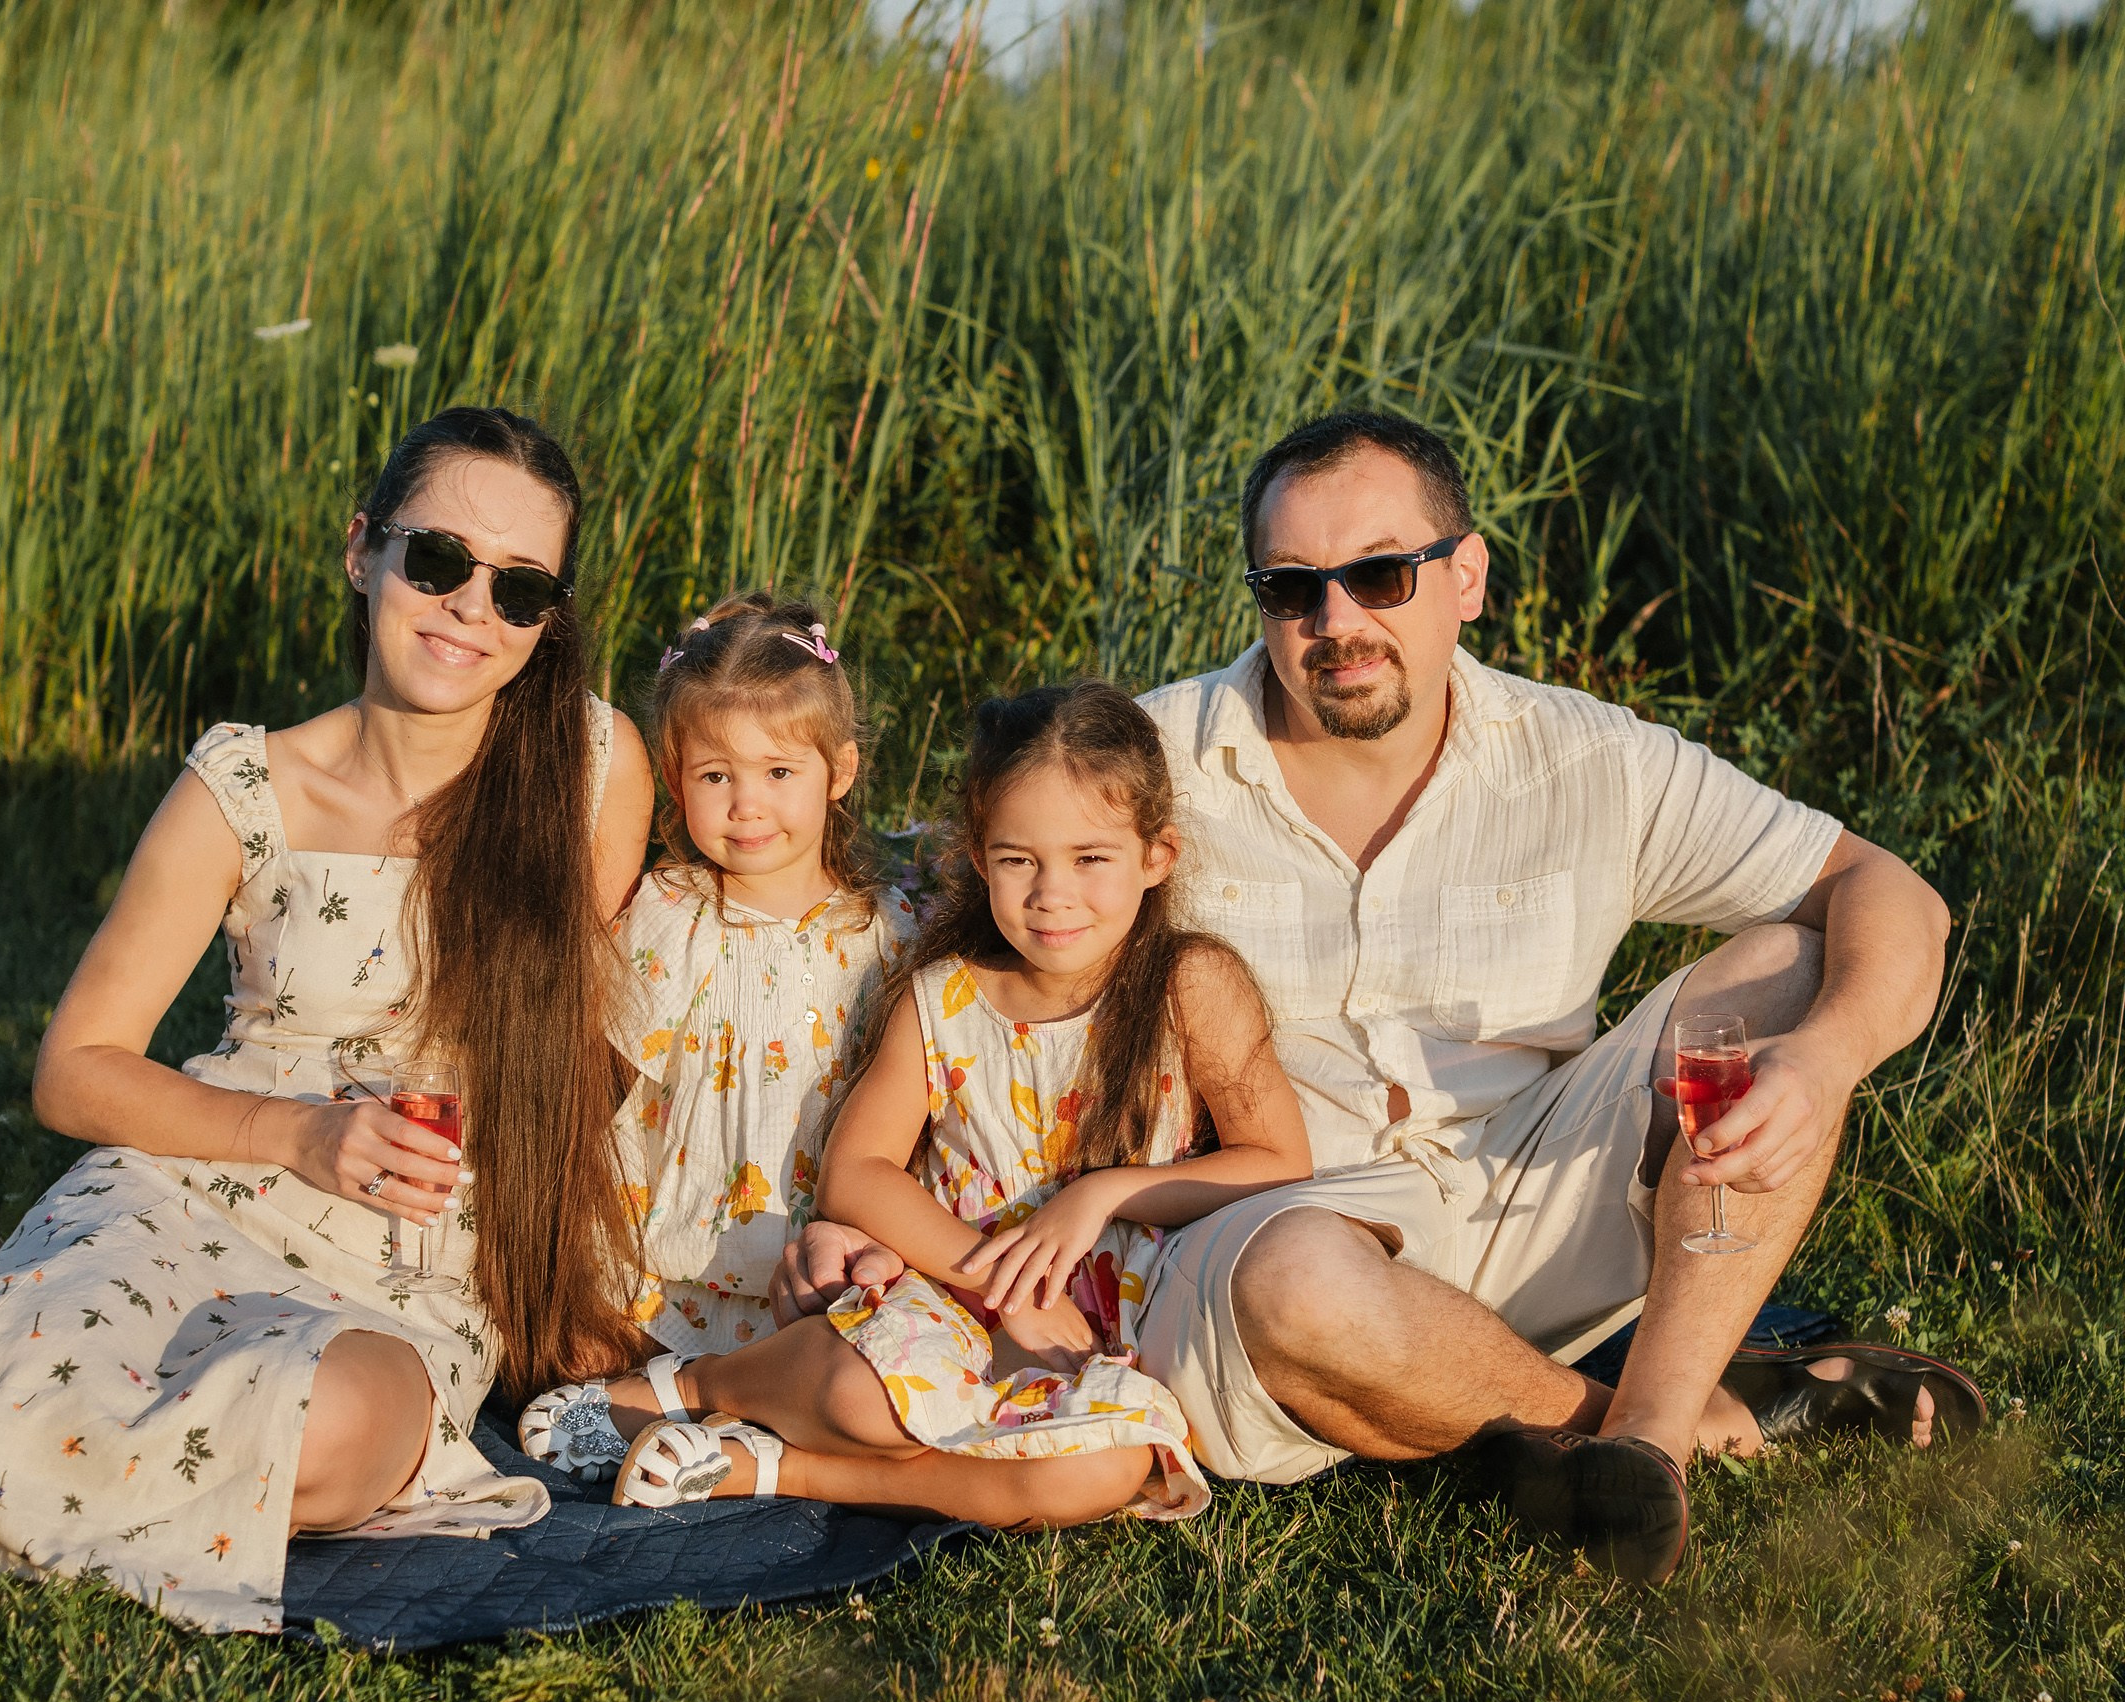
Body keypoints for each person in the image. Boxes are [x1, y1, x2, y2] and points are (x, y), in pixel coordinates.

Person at [776, 411, 1980, 1581]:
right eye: (1291, 587)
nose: (1335, 620)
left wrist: (1826, 1056)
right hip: (1276, 1228)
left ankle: (1637, 1431)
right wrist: (854, 1213)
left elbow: (1887, 890)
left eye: (1379, 573)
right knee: (1300, 1277)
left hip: (1539, 1180)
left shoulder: (1588, 757)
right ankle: (1674, 1419)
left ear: (1466, 576)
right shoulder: (1158, 762)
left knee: (1788, 969)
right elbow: (942, 917)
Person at [0, 407, 658, 1633]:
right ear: (362, 550)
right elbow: (75, 1071)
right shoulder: (246, 786)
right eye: (439, 558)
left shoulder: (588, 767)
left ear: (548, 617)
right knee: (71, 1351)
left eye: (519, 587)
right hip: (203, 1181)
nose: (469, 607)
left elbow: (605, 1046)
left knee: (334, 1435)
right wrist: (299, 1134)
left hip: (409, 1266)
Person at [559, 681, 1313, 1527]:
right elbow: (855, 1173)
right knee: (863, 1398)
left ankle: (777, 1467)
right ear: (979, 858)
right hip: (954, 1295)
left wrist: (1100, 1196)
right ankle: (701, 1386)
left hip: (1110, 1328)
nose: (1051, 894)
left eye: (1090, 859)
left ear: (1156, 856)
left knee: (1107, 1467)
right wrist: (1004, 1287)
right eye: (1018, 860)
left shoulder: (1191, 985)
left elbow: (1279, 1160)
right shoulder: (944, 999)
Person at [515, 590, 918, 1479]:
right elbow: (604, 1075)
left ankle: (722, 1408)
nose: (746, 806)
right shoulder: (674, 911)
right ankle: (711, 1401)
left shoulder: (888, 933)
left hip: (822, 1260)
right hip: (673, 1259)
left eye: (778, 772)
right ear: (674, 776)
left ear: (839, 770)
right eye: (715, 777)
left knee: (868, 1371)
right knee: (570, 1350)